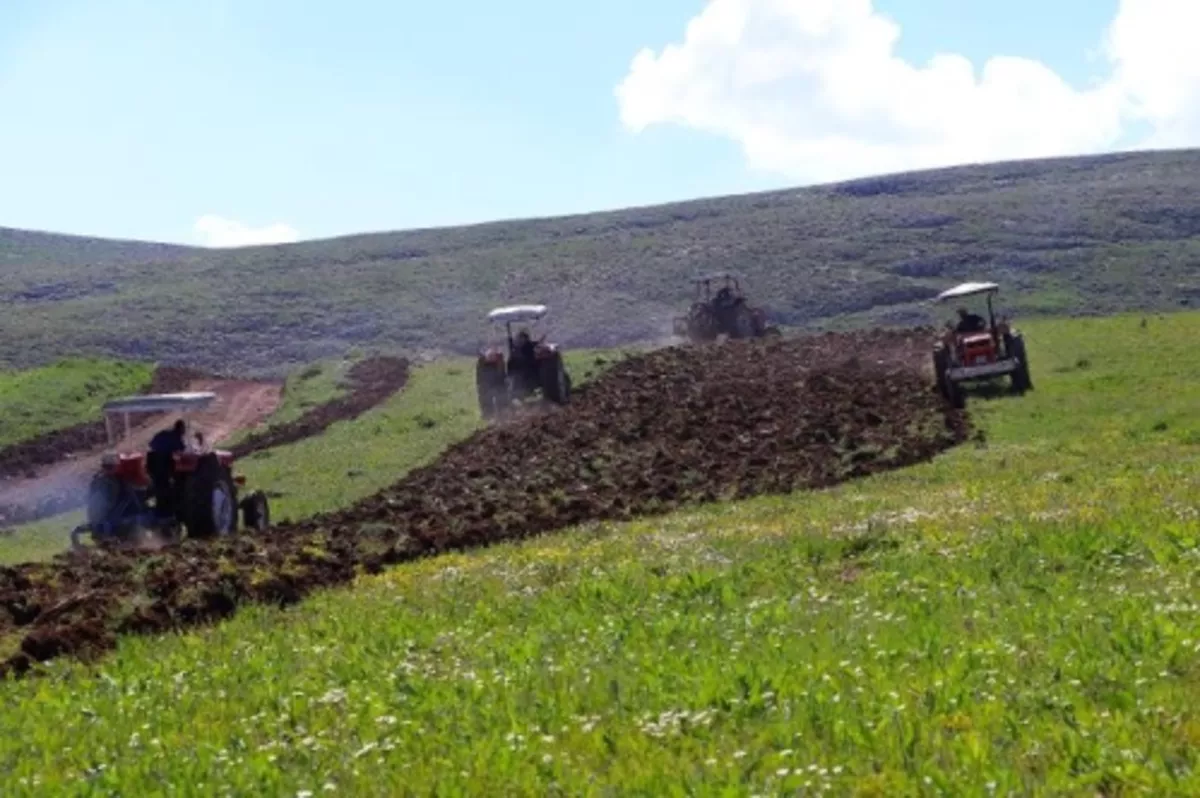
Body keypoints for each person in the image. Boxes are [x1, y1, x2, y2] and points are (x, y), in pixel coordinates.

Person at [147, 419, 187, 517]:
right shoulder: (176, 437)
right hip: (163, 464)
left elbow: (151, 444)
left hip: (152, 463)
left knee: (158, 485)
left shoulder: (163, 433)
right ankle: (165, 510)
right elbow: (182, 450)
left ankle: (160, 507)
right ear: (181, 429)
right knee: (166, 486)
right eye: (183, 430)